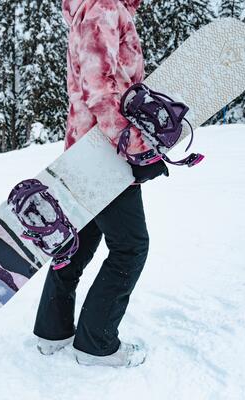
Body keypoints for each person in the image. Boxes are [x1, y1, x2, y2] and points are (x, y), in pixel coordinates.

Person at [33, 0, 169, 367]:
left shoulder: (92, 9)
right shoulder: (103, 7)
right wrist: (137, 150)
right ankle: (96, 342)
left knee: (80, 241)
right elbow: (101, 88)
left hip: (87, 147)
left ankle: (53, 330)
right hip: (105, 152)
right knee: (131, 246)